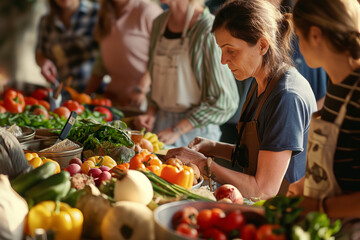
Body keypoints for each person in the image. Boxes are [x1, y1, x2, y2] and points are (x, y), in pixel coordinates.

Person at [165, 0, 317, 200]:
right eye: (221, 49)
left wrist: (203, 163)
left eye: (231, 50)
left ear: (262, 45)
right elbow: (259, 154)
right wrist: (213, 147)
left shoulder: (287, 97)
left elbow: (263, 189)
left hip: (283, 214)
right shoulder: (260, 82)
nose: (223, 60)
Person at [286, 0, 360, 237]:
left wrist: (320, 207)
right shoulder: (336, 82)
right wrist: (307, 183)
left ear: (316, 35)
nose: (298, 46)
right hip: (329, 226)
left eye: (299, 36)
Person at [133, 0, 239, 147]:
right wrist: (150, 113)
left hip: (196, 134)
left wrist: (177, 129)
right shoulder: (159, 23)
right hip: (160, 126)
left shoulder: (208, 28)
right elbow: (157, 78)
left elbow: (224, 101)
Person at [85, 0, 162, 109]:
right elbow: (101, 61)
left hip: (143, 100)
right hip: (114, 99)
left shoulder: (147, 11)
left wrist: (141, 89)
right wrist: (85, 96)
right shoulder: (104, 11)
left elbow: (161, 54)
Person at [36, 0, 99, 92]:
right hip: (62, 91)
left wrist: (89, 92)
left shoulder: (96, 14)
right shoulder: (46, 22)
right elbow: (40, 52)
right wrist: (44, 62)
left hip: (96, 92)